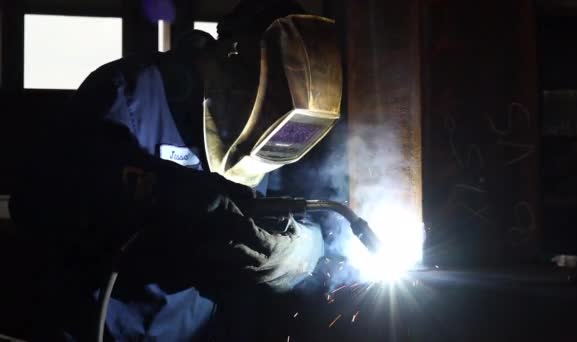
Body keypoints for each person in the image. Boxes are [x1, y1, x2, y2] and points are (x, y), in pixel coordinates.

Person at [8, 0, 342, 340]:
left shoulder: (273, 139)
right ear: (232, 56)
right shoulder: (130, 93)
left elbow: (314, 214)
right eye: (264, 100)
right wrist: (158, 198)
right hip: (104, 330)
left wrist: (300, 249)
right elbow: (35, 201)